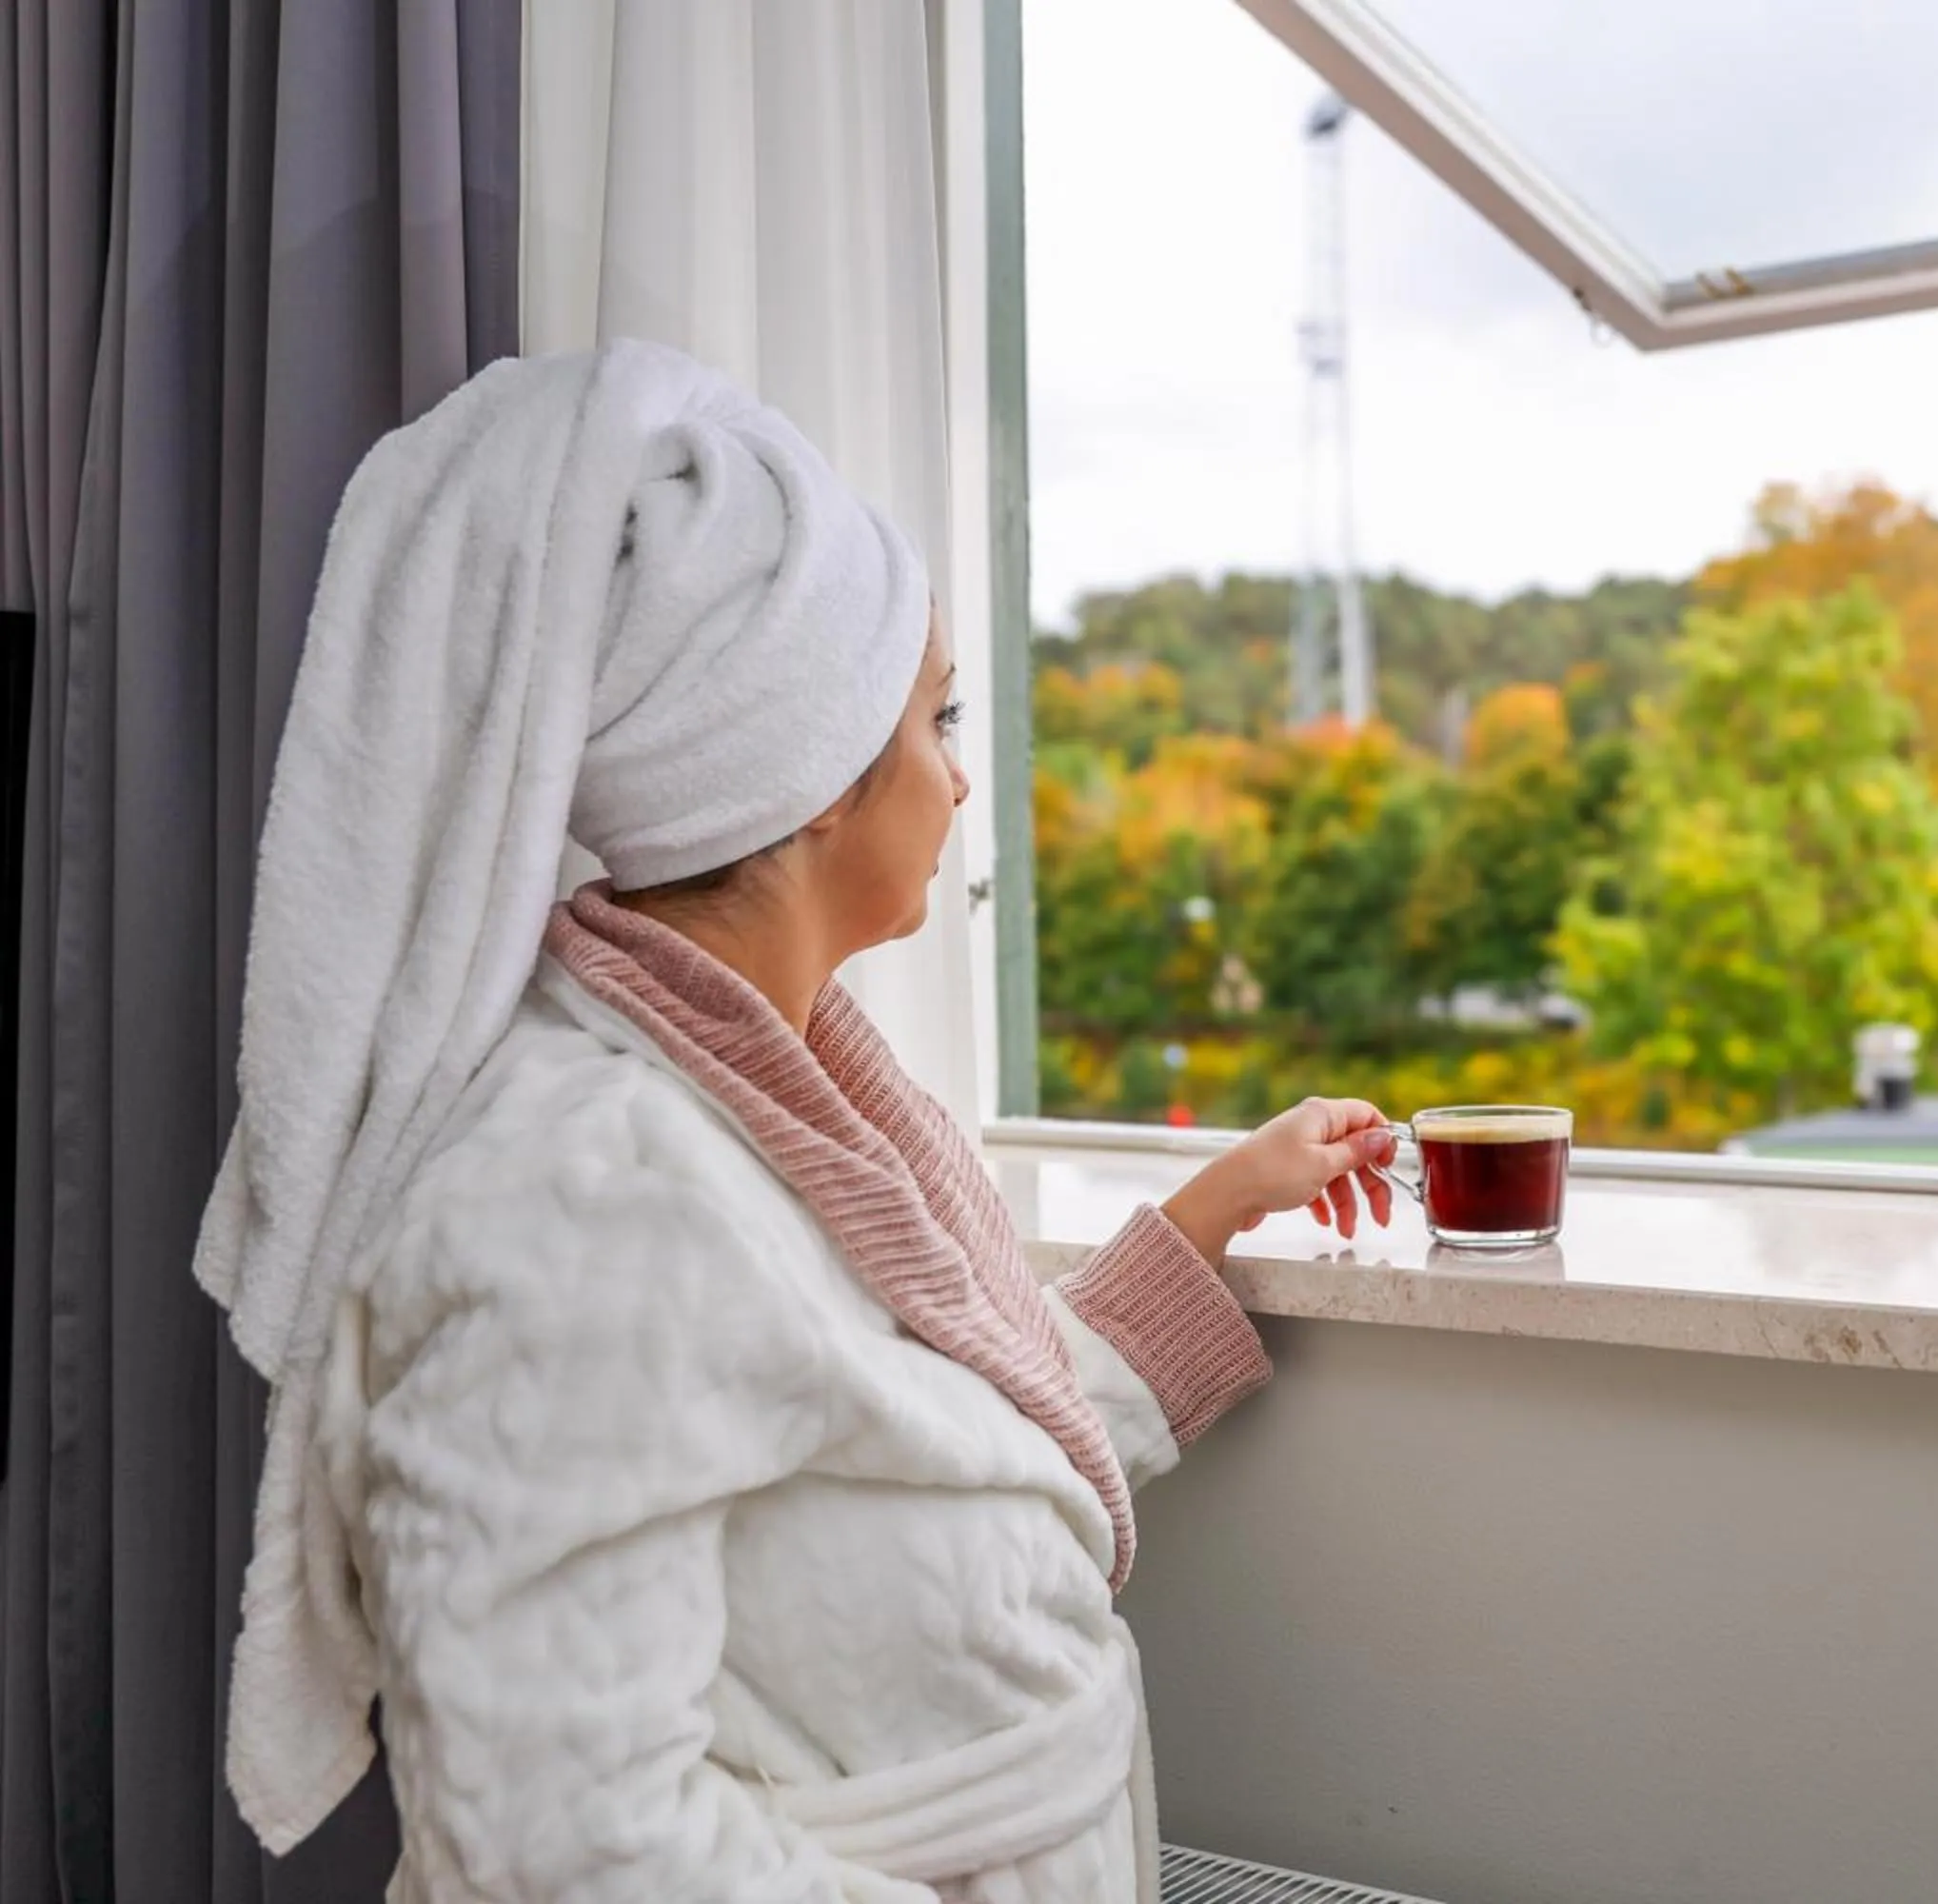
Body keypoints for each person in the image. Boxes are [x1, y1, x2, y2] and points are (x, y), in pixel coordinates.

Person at [193, 340, 1393, 1901]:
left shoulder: (775, 1100)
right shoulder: (588, 1199)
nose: (961, 784)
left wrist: (1216, 1212)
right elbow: (560, 1844)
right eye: (940, 720)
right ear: (818, 769)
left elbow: (926, 1450)